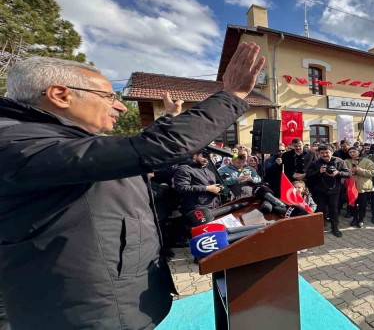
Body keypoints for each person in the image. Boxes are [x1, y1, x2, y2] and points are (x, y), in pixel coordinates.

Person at [0, 41, 265, 329]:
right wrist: (232, 95)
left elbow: (131, 154)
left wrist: (166, 119)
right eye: (108, 96)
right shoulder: (19, 143)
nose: (119, 107)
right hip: (84, 311)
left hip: (103, 300)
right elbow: (150, 150)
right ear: (60, 95)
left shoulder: (51, 140)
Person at [306, 145, 351, 237]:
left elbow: (348, 174)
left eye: (327, 152)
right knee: (320, 209)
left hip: (335, 190)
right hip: (320, 190)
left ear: (332, 152)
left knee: (333, 209)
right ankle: (321, 226)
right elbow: (308, 176)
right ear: (319, 154)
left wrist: (338, 173)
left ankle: (334, 227)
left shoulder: (339, 161)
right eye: (322, 153)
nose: (325, 155)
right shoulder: (315, 163)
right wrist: (319, 171)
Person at [173, 149, 224, 227]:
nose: (206, 159)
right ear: (195, 155)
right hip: (196, 209)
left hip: (212, 209)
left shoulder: (209, 172)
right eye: (204, 156)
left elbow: (212, 188)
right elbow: (181, 187)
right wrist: (206, 188)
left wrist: (217, 190)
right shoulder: (184, 168)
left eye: (208, 157)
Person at [344, 147, 374, 228]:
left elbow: (372, 173)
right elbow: (342, 172)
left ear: (359, 152)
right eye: (350, 152)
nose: (352, 153)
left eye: (354, 151)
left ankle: (361, 219)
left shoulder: (368, 161)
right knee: (352, 204)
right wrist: (350, 171)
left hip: (363, 187)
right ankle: (355, 218)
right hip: (351, 187)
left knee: (363, 204)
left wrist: (359, 170)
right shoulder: (346, 161)